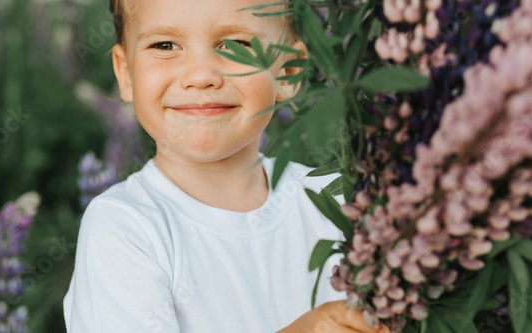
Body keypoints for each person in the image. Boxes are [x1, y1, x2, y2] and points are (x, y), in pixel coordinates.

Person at [63, 1, 390, 332]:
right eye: (164, 45)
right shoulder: (124, 225)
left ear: (289, 71)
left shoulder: (338, 197)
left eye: (236, 45)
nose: (201, 75)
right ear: (126, 73)